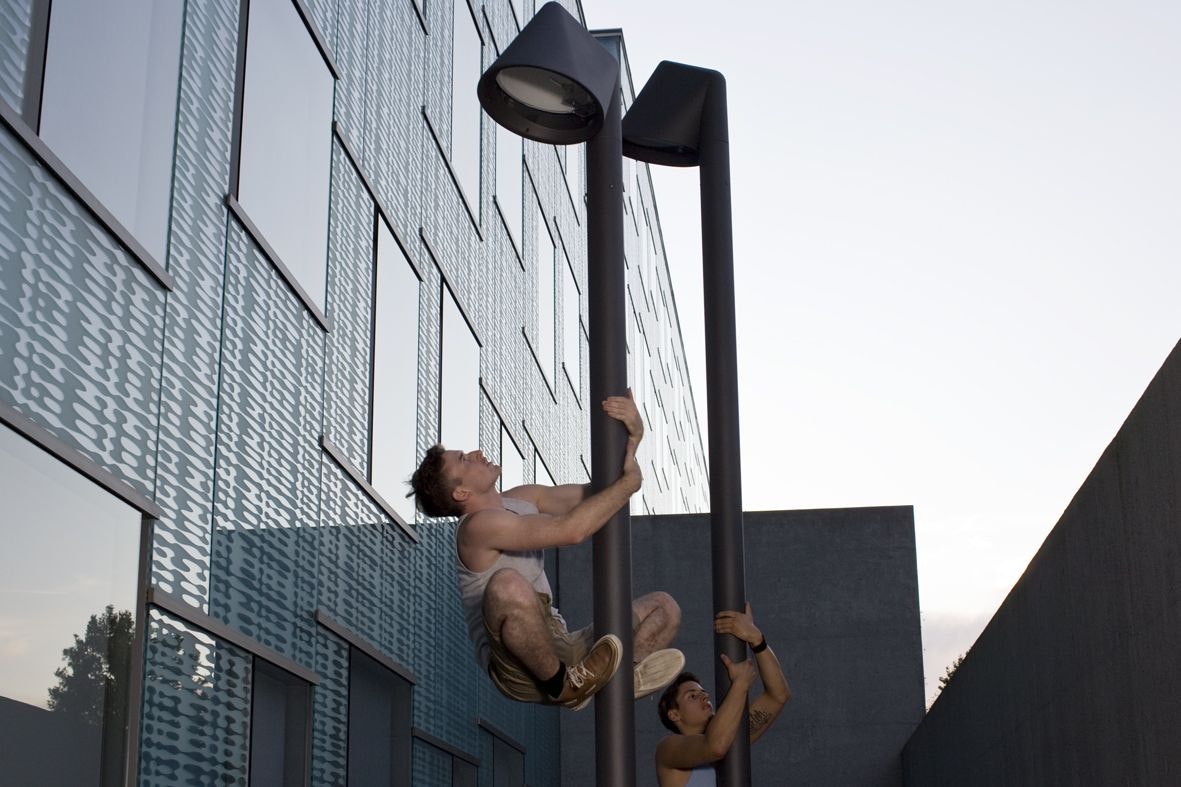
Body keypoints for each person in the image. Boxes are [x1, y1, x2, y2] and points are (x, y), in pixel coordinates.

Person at [410, 390, 684, 710]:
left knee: (665, 608)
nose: (477, 453)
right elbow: (572, 530)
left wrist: (633, 437)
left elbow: (600, 494)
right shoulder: (476, 528)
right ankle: (564, 688)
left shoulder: (521, 499)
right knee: (507, 585)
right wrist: (628, 485)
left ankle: (619, 682)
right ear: (461, 493)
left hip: (560, 642)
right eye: (464, 460)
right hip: (520, 663)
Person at [655, 604, 790, 786]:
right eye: (692, 696)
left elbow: (778, 696)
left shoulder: (729, 738)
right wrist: (740, 684)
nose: (705, 697)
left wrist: (757, 640)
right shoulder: (667, 750)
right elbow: (715, 747)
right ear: (674, 714)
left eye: (703, 692)